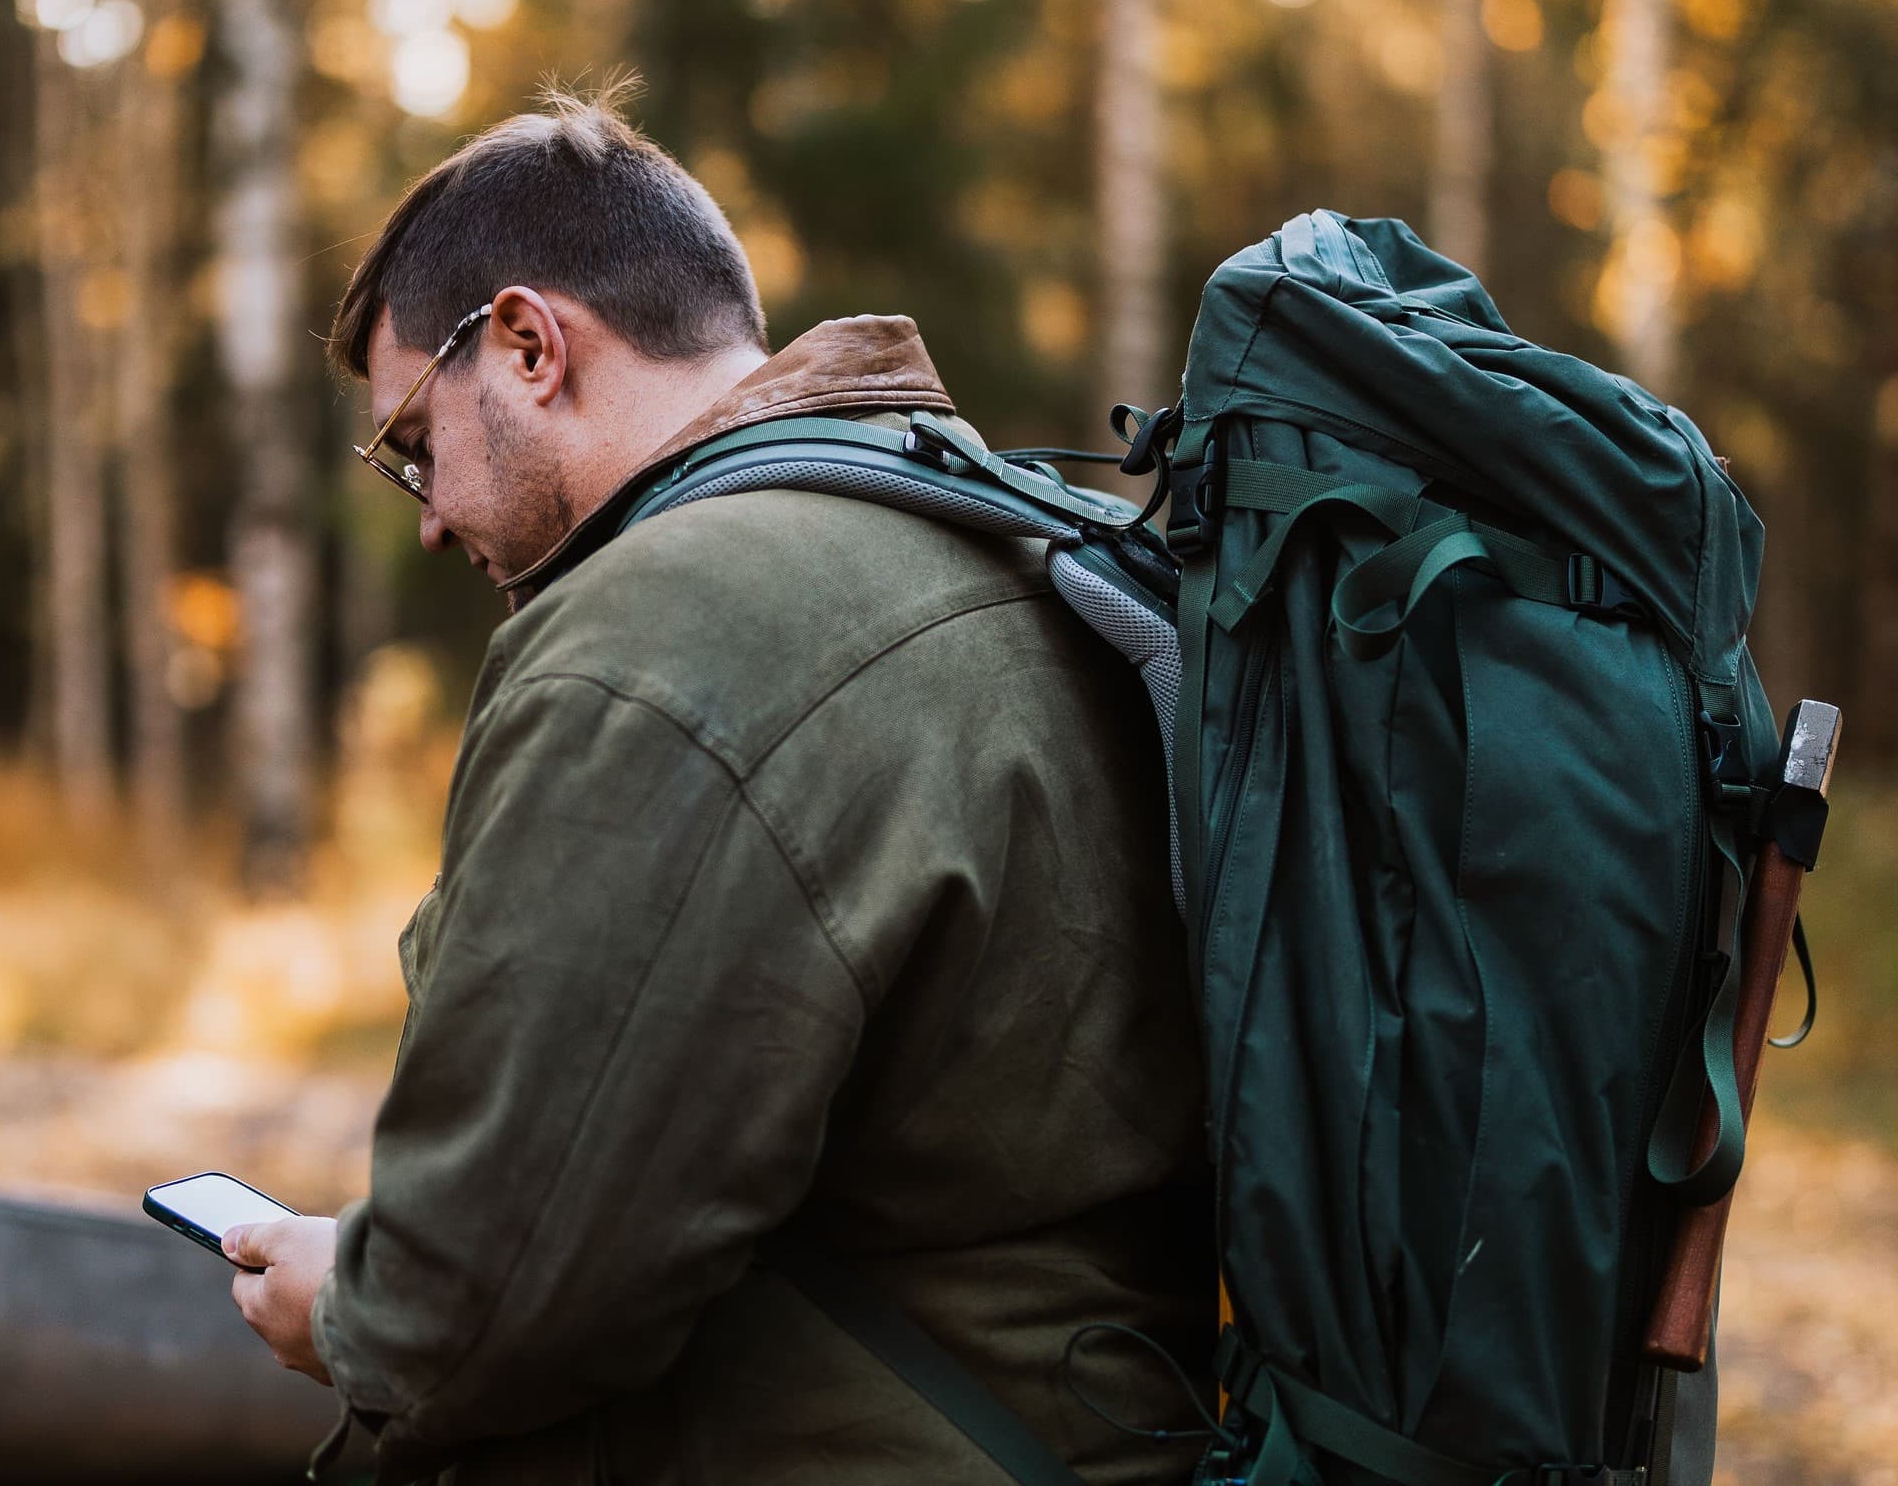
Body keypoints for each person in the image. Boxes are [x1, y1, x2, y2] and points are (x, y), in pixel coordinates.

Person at [217, 84, 1215, 1485]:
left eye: (413, 447)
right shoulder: (1027, 534)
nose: (431, 519)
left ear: (524, 344)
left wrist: (355, 1309)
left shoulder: (666, 633)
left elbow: (495, 1295)